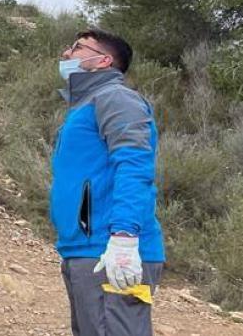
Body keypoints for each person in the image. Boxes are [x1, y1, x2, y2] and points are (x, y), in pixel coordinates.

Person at [51, 28, 165, 336]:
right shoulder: (83, 107)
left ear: (103, 61)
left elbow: (135, 165)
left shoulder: (116, 98)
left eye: (76, 48)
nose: (66, 54)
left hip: (109, 249)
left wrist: (124, 239)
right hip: (84, 249)